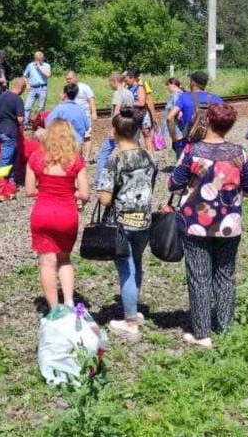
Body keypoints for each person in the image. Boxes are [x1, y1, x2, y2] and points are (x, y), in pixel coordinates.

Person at [168, 103, 248, 348]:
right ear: (230, 126)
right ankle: (225, 327)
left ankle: (202, 332)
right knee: (226, 275)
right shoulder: (239, 153)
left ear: (207, 121)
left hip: (196, 224)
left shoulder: (192, 152)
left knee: (199, 276)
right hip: (229, 225)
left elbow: (174, 184)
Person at [98, 108, 158, 338]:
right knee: (137, 263)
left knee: (126, 268)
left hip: (121, 222)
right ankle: (133, 307)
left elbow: (104, 199)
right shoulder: (149, 156)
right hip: (144, 219)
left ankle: (130, 321)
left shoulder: (114, 160)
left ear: (114, 131)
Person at [26, 119, 91, 313]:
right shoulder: (75, 161)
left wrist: (46, 191)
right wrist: (70, 193)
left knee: (47, 262)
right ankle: (69, 301)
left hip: (42, 214)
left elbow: (29, 190)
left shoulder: (36, 158)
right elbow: (85, 194)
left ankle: (54, 309)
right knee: (64, 259)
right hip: (66, 215)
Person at [165, 71, 222, 158]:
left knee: (186, 168)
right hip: (211, 141)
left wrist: (174, 138)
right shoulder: (216, 98)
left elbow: (169, 118)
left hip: (190, 142)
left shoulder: (184, 97)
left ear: (193, 83)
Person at [95, 72, 135, 187]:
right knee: (126, 151)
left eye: (110, 82)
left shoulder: (118, 93)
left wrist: (113, 128)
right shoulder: (129, 93)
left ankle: (99, 180)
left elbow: (116, 111)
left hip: (118, 126)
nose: (110, 85)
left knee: (104, 153)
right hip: (128, 125)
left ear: (114, 81)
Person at [0, 77, 26, 168]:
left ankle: (10, 180)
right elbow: (20, 119)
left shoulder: (1, 97)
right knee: (6, 159)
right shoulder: (17, 100)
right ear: (22, 88)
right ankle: (0, 180)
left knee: (13, 156)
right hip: (9, 131)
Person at [65, 70, 97, 159]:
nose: (68, 81)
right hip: (71, 118)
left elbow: (91, 100)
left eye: (70, 79)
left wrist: (94, 112)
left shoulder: (84, 87)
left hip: (84, 117)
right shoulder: (66, 89)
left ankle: (86, 158)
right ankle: (77, 157)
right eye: (67, 79)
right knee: (73, 138)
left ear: (76, 77)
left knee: (86, 137)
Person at [46, 83, 90, 147]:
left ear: (65, 94)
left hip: (64, 144)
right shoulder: (80, 109)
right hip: (78, 144)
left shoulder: (60, 108)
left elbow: (48, 123)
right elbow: (87, 126)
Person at [125, 69, 155, 153]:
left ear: (132, 78)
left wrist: (128, 103)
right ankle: (138, 155)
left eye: (126, 79)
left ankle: (150, 154)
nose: (125, 81)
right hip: (133, 115)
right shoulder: (127, 88)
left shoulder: (140, 87)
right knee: (134, 136)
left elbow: (142, 103)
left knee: (146, 134)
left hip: (142, 114)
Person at [23, 50, 52, 119]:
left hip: (42, 88)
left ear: (42, 58)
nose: (38, 60)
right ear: (35, 58)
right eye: (37, 59)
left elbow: (48, 75)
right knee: (27, 106)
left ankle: (40, 122)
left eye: (40, 59)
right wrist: (27, 84)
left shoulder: (46, 65)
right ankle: (25, 123)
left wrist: (39, 67)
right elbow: (25, 75)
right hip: (32, 88)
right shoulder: (30, 65)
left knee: (41, 107)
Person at [163, 77, 184, 149]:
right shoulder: (181, 94)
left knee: (178, 148)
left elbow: (176, 111)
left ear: (172, 85)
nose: (167, 87)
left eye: (167, 85)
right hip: (178, 128)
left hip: (176, 128)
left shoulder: (176, 95)